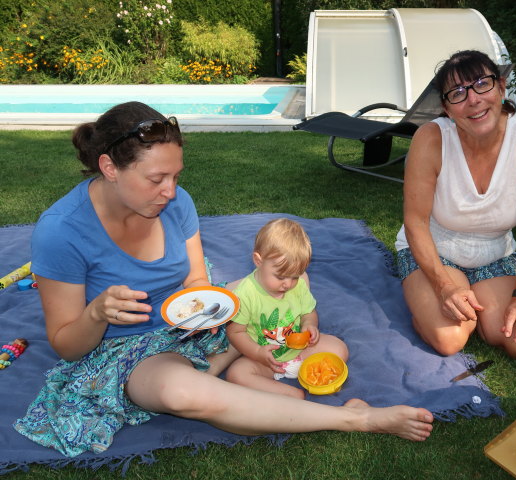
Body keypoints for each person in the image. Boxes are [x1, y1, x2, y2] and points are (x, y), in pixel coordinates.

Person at [14, 101, 433, 458]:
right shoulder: (63, 232)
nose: (171, 192)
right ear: (109, 167)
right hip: (123, 350)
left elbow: (196, 278)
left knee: (273, 318)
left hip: (188, 329)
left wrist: (202, 304)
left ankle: (228, 361)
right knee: (182, 393)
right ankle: (356, 418)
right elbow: (68, 346)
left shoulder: (177, 205)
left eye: (175, 176)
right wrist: (96, 312)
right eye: (156, 179)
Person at [395, 50, 516, 360]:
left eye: (482, 84)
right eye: (458, 93)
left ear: (501, 87)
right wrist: (443, 285)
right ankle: (434, 303)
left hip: (495, 254)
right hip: (436, 253)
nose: (473, 100)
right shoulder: (430, 139)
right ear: (446, 108)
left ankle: (477, 309)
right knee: (450, 339)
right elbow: (415, 222)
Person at [225, 218, 348, 399]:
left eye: (295, 277)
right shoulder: (245, 294)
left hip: (299, 350)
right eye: (281, 276)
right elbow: (235, 333)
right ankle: (291, 394)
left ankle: (299, 366)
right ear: (258, 260)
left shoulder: (296, 285)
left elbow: (308, 312)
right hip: (266, 360)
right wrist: (258, 353)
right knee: (236, 374)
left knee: (339, 348)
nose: (288, 284)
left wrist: (309, 325)